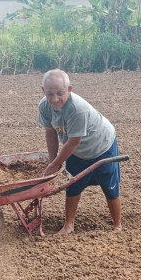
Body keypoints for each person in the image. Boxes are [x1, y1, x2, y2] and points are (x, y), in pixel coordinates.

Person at [38, 69, 122, 235]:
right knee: (73, 185)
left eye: (60, 93)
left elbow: (73, 142)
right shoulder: (44, 106)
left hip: (101, 145)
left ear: (69, 89)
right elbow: (50, 133)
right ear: (43, 91)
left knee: (110, 186)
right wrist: (52, 160)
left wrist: (55, 165)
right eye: (50, 94)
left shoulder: (77, 109)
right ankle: (68, 225)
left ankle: (117, 225)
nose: (55, 99)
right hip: (76, 150)